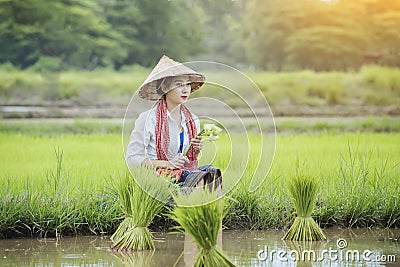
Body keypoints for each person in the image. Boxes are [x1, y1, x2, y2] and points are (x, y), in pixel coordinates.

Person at [126, 55, 221, 190]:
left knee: (212, 174)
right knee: (200, 178)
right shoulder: (147, 119)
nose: (185, 89)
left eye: (188, 84)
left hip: (183, 173)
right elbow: (132, 160)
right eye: (179, 84)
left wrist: (196, 150)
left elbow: (185, 159)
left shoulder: (193, 120)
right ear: (165, 87)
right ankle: (192, 208)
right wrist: (167, 164)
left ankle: (210, 211)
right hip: (157, 176)